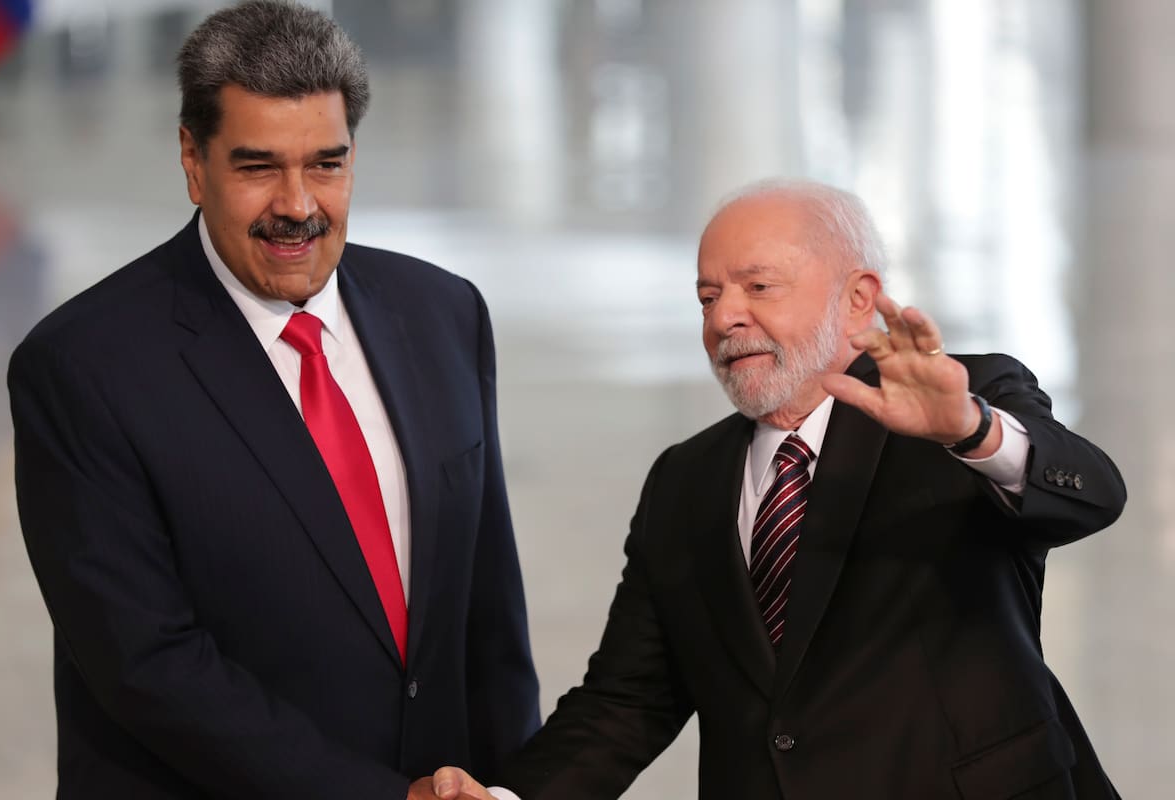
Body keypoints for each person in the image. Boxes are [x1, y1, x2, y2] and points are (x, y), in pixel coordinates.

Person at [430, 180, 1125, 799]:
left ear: (858, 299)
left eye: (758, 287)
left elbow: (1093, 494)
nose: (723, 318)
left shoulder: (960, 406)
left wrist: (972, 430)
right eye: (708, 297)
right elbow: (628, 698)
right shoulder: (685, 480)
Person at [7, 2, 539, 797]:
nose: (297, 205)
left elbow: (489, 616)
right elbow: (148, 666)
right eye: (258, 167)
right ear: (193, 161)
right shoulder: (83, 368)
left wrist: (516, 785)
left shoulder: (443, 313)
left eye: (326, 163)